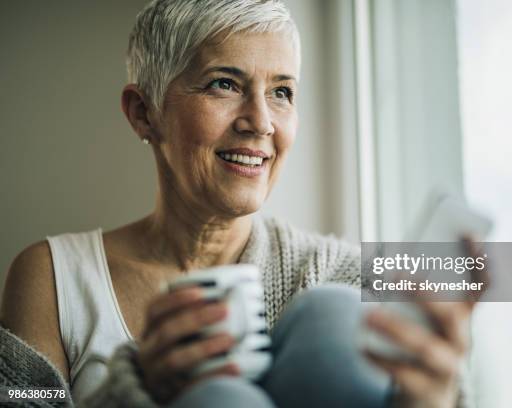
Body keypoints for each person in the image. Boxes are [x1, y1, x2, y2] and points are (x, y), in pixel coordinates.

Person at [0, 1, 476, 407]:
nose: (261, 122)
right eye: (224, 84)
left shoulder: (347, 277)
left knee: (329, 316)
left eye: (281, 92)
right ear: (144, 113)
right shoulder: (52, 277)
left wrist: (428, 400)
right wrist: (137, 390)